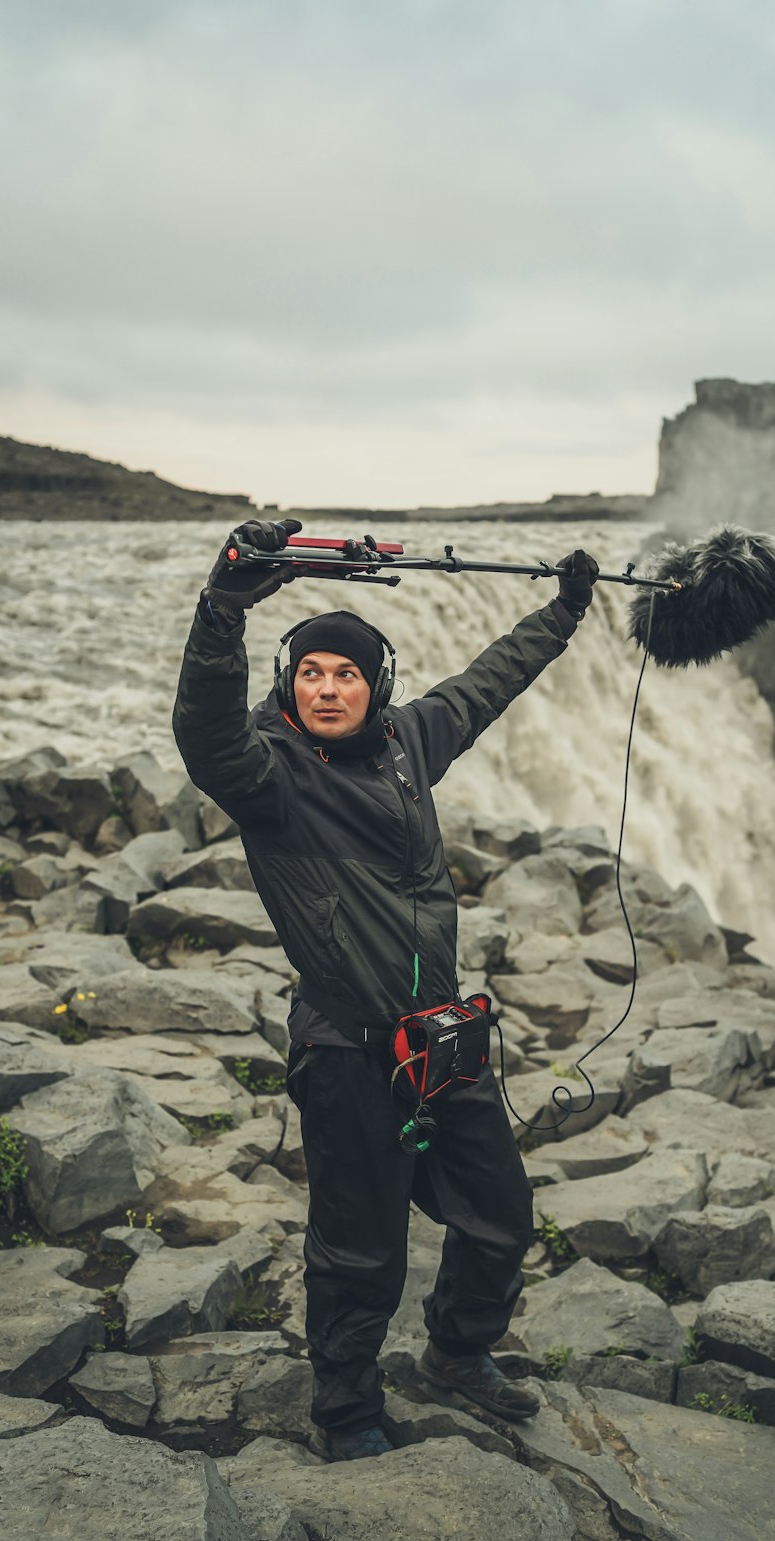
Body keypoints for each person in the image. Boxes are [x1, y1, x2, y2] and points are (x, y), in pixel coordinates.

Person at [172, 519, 599, 1461]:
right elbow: (201, 731)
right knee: (358, 1252)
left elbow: (485, 684)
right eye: (312, 673)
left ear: (378, 687)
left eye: (347, 674)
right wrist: (223, 609)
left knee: (499, 1217)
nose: (327, 689)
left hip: (441, 1038)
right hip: (349, 1049)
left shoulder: (411, 740)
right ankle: (348, 1413)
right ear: (291, 682)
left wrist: (563, 614)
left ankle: (454, 1354)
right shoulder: (266, 770)